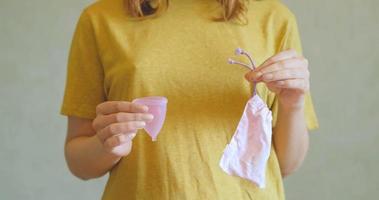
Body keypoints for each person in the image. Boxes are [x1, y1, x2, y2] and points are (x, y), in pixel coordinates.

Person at [60, 0, 319, 199]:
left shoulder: (275, 18)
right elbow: (78, 161)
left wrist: (293, 104)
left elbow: (287, 163)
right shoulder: (100, 19)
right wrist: (106, 146)